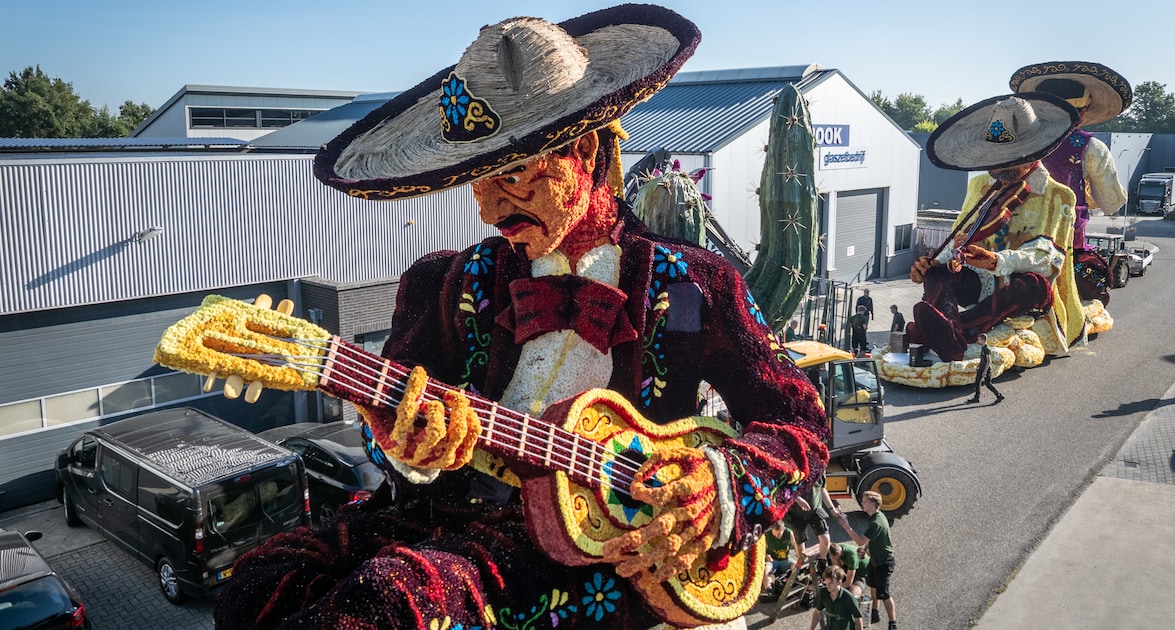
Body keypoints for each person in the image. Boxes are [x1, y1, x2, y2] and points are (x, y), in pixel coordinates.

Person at [214, 7, 830, 630]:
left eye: (511, 173)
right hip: (446, 516)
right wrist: (403, 439)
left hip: (606, 551)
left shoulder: (694, 283)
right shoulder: (442, 285)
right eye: (475, 181)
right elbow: (391, 423)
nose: (488, 210)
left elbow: (799, 419)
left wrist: (717, 486)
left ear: (585, 151)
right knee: (257, 583)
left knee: (384, 604)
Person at [908, 93, 1088, 362]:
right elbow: (960, 235)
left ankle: (955, 330)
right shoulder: (979, 186)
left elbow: (1047, 258)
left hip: (1017, 288)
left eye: (1011, 158)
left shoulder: (1058, 195)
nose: (1000, 168)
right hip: (979, 285)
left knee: (1032, 285)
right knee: (936, 276)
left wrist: (997, 261)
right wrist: (934, 263)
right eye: (995, 159)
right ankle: (952, 329)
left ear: (1034, 152)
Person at [1009, 62, 1132, 252]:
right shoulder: (1091, 148)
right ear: (1082, 114)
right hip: (1064, 239)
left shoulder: (1015, 141)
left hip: (1014, 236)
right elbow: (1111, 201)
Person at [833, 491, 896, 630]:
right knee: (873, 585)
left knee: (884, 593)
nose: (862, 503)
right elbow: (873, 540)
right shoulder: (876, 517)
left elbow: (860, 540)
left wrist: (846, 525)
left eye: (865, 501)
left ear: (873, 504)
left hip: (884, 562)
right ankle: (875, 612)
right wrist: (866, 549)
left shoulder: (876, 522)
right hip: (875, 560)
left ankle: (893, 623)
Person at [789, 473, 837, 567]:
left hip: (815, 509)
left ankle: (822, 562)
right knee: (800, 542)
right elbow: (785, 490)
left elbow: (822, 489)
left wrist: (832, 509)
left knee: (825, 538)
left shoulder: (819, 471)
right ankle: (801, 565)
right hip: (796, 512)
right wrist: (798, 499)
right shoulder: (795, 470)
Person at [809, 566, 864, 630]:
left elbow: (858, 619)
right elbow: (817, 613)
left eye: (831, 583)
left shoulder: (849, 598)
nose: (828, 586)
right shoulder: (823, 593)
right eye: (826, 583)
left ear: (839, 582)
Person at [762, 519, 804, 594]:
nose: (778, 536)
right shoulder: (767, 535)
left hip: (786, 560)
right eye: (775, 534)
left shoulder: (788, 532)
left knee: (796, 565)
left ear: (783, 529)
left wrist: (798, 554)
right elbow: (762, 551)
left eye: (779, 533)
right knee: (766, 570)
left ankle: (792, 583)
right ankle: (769, 589)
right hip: (773, 561)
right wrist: (766, 556)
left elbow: (795, 545)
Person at [967, 334, 1003, 404]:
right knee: (977, 382)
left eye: (979, 339)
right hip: (981, 368)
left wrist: (985, 371)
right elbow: (982, 359)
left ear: (983, 340)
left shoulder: (987, 349)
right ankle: (976, 397)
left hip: (986, 369)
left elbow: (988, 361)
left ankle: (999, 395)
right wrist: (978, 366)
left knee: (988, 384)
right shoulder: (983, 348)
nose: (978, 341)